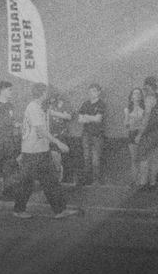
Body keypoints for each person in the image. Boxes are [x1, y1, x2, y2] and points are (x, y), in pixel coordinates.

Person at [12, 83, 81, 219]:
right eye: (47, 92)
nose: (49, 95)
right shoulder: (33, 107)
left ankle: (59, 210)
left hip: (41, 150)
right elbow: (40, 130)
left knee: (50, 181)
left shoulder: (41, 107)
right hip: (33, 152)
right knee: (27, 182)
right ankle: (19, 209)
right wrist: (58, 142)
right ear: (43, 93)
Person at [136, 76, 158, 190]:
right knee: (154, 157)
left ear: (148, 86)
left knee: (144, 158)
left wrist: (139, 134)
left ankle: (143, 184)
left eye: (145, 86)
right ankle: (153, 183)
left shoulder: (150, 98)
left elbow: (146, 117)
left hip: (149, 131)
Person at [77, 84, 106, 185]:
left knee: (95, 158)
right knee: (86, 157)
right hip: (86, 134)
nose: (91, 93)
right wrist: (91, 117)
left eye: (94, 91)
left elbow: (98, 119)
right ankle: (87, 179)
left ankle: (96, 180)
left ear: (99, 92)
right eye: (90, 91)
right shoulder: (85, 104)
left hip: (97, 135)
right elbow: (80, 120)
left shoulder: (101, 104)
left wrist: (86, 116)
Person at [47, 88, 74, 184]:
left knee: (55, 153)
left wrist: (53, 113)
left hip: (60, 133)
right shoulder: (46, 104)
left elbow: (68, 116)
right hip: (47, 134)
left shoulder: (64, 104)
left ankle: (59, 171)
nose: (50, 99)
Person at [123, 87, 146, 186]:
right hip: (132, 133)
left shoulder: (144, 108)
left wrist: (140, 132)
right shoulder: (127, 109)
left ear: (141, 96)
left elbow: (145, 123)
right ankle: (134, 180)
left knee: (142, 158)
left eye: (138, 93)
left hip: (142, 133)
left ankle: (142, 181)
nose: (136, 95)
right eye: (134, 93)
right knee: (134, 158)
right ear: (131, 96)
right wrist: (128, 120)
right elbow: (126, 124)